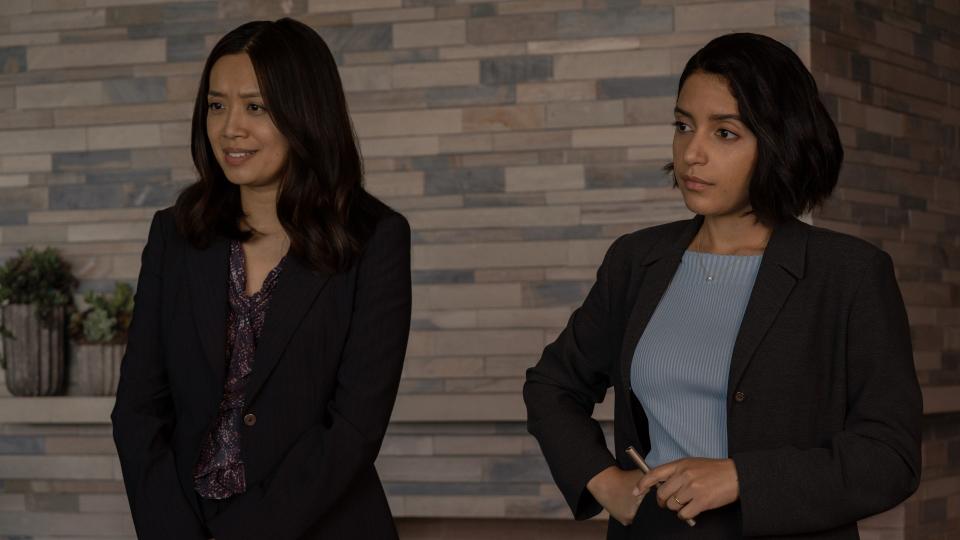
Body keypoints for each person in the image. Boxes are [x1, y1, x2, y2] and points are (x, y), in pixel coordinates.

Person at [523, 32, 921, 539]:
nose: (692, 153)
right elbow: (553, 385)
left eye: (725, 133)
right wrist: (603, 481)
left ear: (781, 141)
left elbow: (890, 457)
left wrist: (741, 478)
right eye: (683, 125)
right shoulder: (637, 260)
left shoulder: (849, 274)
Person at [111, 18, 411, 540]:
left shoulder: (374, 238)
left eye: (256, 106)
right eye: (216, 104)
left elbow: (354, 429)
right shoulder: (176, 234)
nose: (231, 128)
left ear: (305, 113)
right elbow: (138, 408)